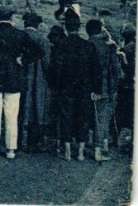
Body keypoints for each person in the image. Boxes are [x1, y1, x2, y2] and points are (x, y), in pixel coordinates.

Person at [0, 6, 45, 160]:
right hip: (14, 78)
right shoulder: (20, 35)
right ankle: (11, 149)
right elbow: (39, 52)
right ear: (12, 18)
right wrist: (23, 60)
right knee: (12, 115)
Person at [50, 9, 102, 162]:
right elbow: (96, 70)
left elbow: (56, 68)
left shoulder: (60, 45)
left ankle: (66, 152)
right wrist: (96, 89)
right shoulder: (89, 46)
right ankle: (80, 153)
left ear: (66, 27)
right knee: (83, 118)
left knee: (66, 118)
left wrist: (56, 85)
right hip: (85, 89)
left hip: (65, 88)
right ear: (79, 27)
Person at [87, 19, 123, 161]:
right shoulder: (108, 47)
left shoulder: (87, 44)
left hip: (87, 88)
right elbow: (116, 69)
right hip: (104, 88)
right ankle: (99, 150)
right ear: (101, 30)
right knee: (101, 119)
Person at [19, 12, 52, 154]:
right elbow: (47, 63)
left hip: (20, 78)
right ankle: (32, 144)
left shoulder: (19, 36)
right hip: (38, 80)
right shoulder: (43, 40)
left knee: (19, 110)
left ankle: (18, 141)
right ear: (37, 25)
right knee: (37, 111)